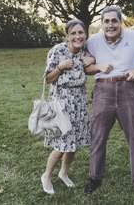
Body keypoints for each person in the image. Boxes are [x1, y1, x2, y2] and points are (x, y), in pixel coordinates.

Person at [84, 6, 134, 201]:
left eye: (114, 21)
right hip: (103, 90)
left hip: (128, 88)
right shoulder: (93, 41)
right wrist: (98, 66)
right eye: (106, 21)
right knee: (98, 136)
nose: (110, 25)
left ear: (120, 21)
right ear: (101, 23)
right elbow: (86, 67)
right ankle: (95, 177)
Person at [41, 19, 94, 194]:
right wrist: (60, 67)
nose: (78, 36)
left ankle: (63, 173)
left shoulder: (84, 52)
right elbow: (48, 79)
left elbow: (90, 67)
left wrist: (92, 60)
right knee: (61, 146)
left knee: (74, 144)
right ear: (67, 36)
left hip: (79, 104)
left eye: (81, 33)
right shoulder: (57, 51)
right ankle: (47, 176)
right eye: (73, 33)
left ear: (85, 34)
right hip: (61, 105)